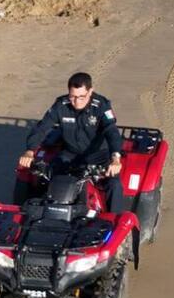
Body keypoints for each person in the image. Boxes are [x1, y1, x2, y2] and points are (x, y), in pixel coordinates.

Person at [19, 72, 126, 212]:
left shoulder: (101, 106)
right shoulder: (61, 105)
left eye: (82, 97)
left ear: (90, 92)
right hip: (70, 154)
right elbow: (42, 127)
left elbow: (111, 131)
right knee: (44, 177)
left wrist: (116, 158)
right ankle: (35, 213)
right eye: (73, 97)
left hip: (98, 155)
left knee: (113, 184)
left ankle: (114, 221)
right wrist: (30, 151)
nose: (76, 102)